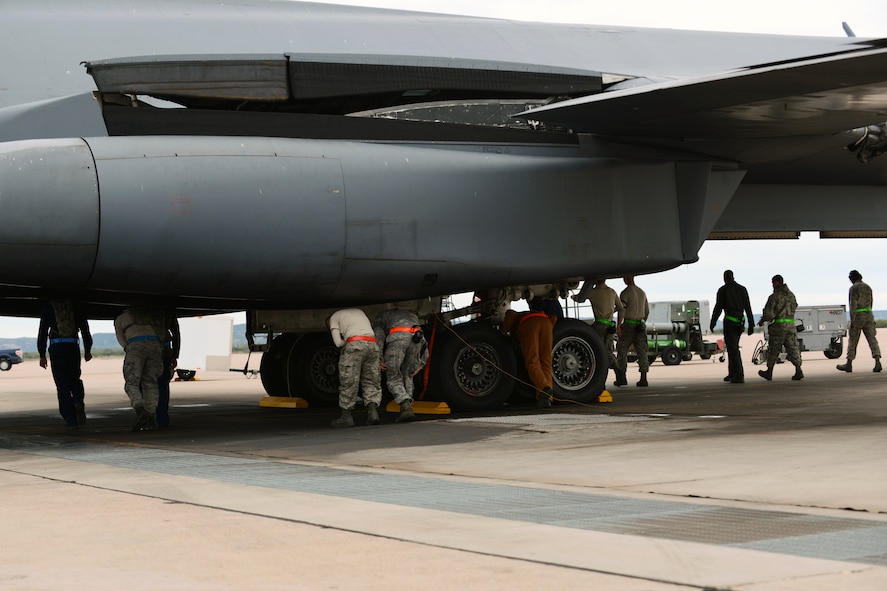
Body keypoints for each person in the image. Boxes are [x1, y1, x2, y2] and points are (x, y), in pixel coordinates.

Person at [37, 300, 93, 428]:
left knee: (62, 384)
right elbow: (85, 329)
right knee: (75, 379)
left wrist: (42, 354)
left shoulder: (49, 306)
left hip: (57, 347)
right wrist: (88, 350)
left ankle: (70, 418)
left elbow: (43, 331)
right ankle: (78, 401)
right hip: (73, 346)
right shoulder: (75, 305)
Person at [328, 308, 383, 428]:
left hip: (355, 345)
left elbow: (338, 343)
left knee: (349, 381)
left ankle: (346, 417)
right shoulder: (360, 311)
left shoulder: (333, 318)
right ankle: (373, 414)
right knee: (371, 380)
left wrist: (346, 341)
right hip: (373, 345)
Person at [115, 305, 167, 431]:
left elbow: (121, 339)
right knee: (150, 382)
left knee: (131, 383)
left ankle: (140, 409)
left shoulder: (121, 318)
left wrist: (129, 348)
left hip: (136, 345)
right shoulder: (151, 315)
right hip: (156, 346)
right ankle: (151, 416)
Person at [373, 308, 429, 423]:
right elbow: (424, 344)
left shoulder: (381, 316)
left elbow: (379, 336)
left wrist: (379, 359)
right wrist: (421, 365)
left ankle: (404, 406)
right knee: (408, 375)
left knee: (393, 377)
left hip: (397, 340)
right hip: (417, 339)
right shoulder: (411, 315)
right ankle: (408, 407)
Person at [500, 298, 557, 408]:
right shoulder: (529, 312)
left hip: (530, 324)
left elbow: (510, 314)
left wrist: (503, 331)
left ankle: (544, 387)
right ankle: (546, 399)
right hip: (546, 323)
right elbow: (554, 318)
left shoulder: (517, 315)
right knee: (545, 362)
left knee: (532, 361)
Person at [710, 270, 755, 383]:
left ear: (725, 278)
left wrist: (713, 322)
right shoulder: (742, 289)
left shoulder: (723, 290)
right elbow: (748, 308)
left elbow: (718, 308)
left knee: (733, 349)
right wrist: (751, 325)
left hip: (730, 323)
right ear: (733, 277)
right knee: (732, 347)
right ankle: (732, 373)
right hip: (740, 323)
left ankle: (739, 374)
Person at [757, 275, 803, 381]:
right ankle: (798, 370)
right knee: (793, 349)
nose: (772, 285)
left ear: (777, 282)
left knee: (774, 349)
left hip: (779, 328)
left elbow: (769, 314)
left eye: (773, 283)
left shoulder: (774, 296)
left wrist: (762, 320)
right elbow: (794, 306)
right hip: (791, 327)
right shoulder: (791, 295)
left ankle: (769, 372)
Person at [837, 270, 882, 373]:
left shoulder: (854, 288)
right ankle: (877, 361)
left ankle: (849, 363)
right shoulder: (868, 287)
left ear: (852, 278)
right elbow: (871, 302)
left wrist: (852, 320)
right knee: (872, 339)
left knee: (853, 340)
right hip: (869, 315)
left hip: (858, 316)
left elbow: (853, 304)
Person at [614, 275, 650, 387]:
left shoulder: (625, 293)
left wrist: (619, 326)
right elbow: (646, 311)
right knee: (642, 352)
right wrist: (642, 321)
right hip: (640, 326)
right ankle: (643, 378)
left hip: (628, 326)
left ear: (626, 279)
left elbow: (622, 310)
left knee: (622, 351)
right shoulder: (642, 292)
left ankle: (622, 378)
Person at [586, 278, 624, 381]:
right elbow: (621, 308)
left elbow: (579, 299)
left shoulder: (593, 292)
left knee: (595, 351)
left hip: (599, 325)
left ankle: (601, 380)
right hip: (610, 326)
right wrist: (619, 325)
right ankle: (618, 371)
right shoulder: (611, 292)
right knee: (608, 351)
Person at [156, 308, 181, 429]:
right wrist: (174, 355)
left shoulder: (143, 312)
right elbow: (176, 333)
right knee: (163, 385)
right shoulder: (168, 313)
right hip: (165, 352)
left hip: (150, 352)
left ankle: (148, 416)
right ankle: (162, 419)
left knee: (145, 384)